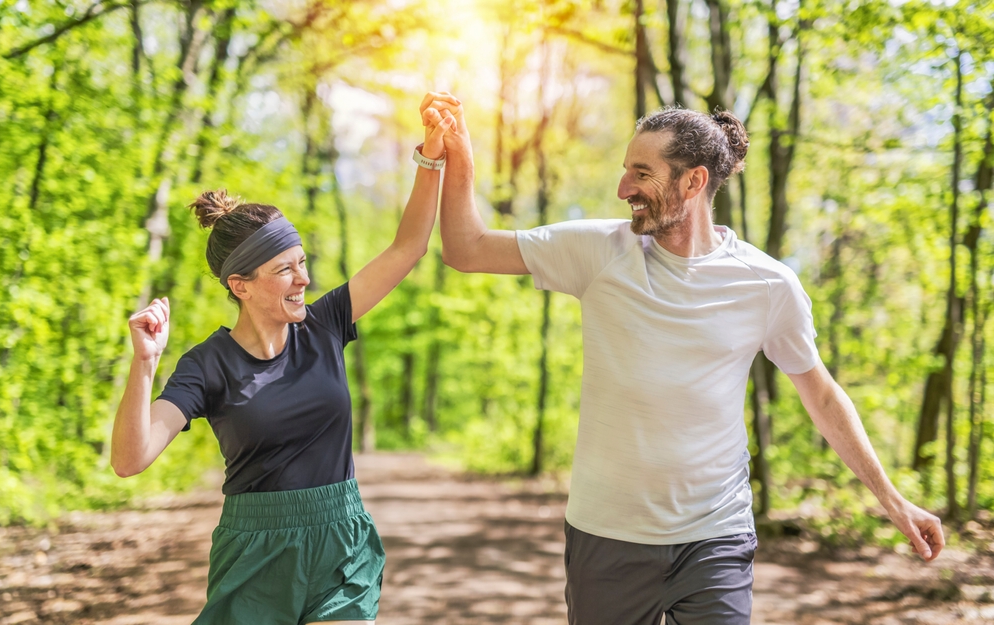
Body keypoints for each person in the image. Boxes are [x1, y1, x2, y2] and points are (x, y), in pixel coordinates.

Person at [430, 94, 945, 625]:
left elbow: (821, 394)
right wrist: (461, 157)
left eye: (641, 172)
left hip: (715, 535)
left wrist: (894, 501)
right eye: (624, 170)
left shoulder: (767, 285)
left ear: (693, 182)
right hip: (606, 534)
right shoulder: (598, 253)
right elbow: (465, 249)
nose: (622, 188)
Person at [110, 94, 460, 625]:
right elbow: (130, 459)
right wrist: (144, 365)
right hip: (255, 558)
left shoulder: (324, 325)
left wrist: (430, 158)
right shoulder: (207, 366)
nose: (304, 280)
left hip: (341, 543)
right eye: (285, 270)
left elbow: (407, 247)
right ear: (240, 285)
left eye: (302, 264)